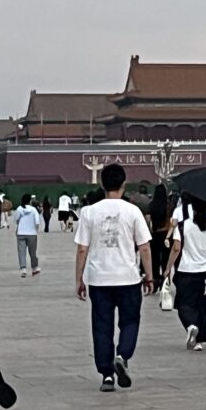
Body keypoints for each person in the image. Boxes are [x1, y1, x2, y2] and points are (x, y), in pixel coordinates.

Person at [74, 164, 154, 392]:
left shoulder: (89, 212)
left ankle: (106, 375)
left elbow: (82, 249)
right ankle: (122, 355)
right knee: (130, 321)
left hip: (99, 279)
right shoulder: (132, 211)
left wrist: (79, 278)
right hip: (128, 277)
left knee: (102, 327)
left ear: (102, 184)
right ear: (123, 184)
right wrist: (149, 277)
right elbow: (145, 248)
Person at [165, 196, 206, 351]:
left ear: (192, 207)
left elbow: (176, 248)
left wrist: (168, 268)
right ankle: (199, 341)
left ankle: (191, 325)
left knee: (185, 304)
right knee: (204, 306)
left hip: (186, 270)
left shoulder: (183, 226)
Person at [147, 184, 171, 287]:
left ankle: (156, 279)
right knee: (166, 258)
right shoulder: (168, 205)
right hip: (166, 234)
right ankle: (166, 280)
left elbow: (148, 219)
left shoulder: (151, 205)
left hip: (155, 234)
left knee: (155, 258)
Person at [14, 194, 42, 278]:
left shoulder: (19, 209)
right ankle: (34, 268)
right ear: (30, 201)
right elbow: (37, 222)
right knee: (32, 252)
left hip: (21, 233)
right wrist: (36, 230)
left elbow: (16, 219)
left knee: (21, 251)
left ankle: (23, 269)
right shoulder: (33, 210)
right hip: (32, 233)